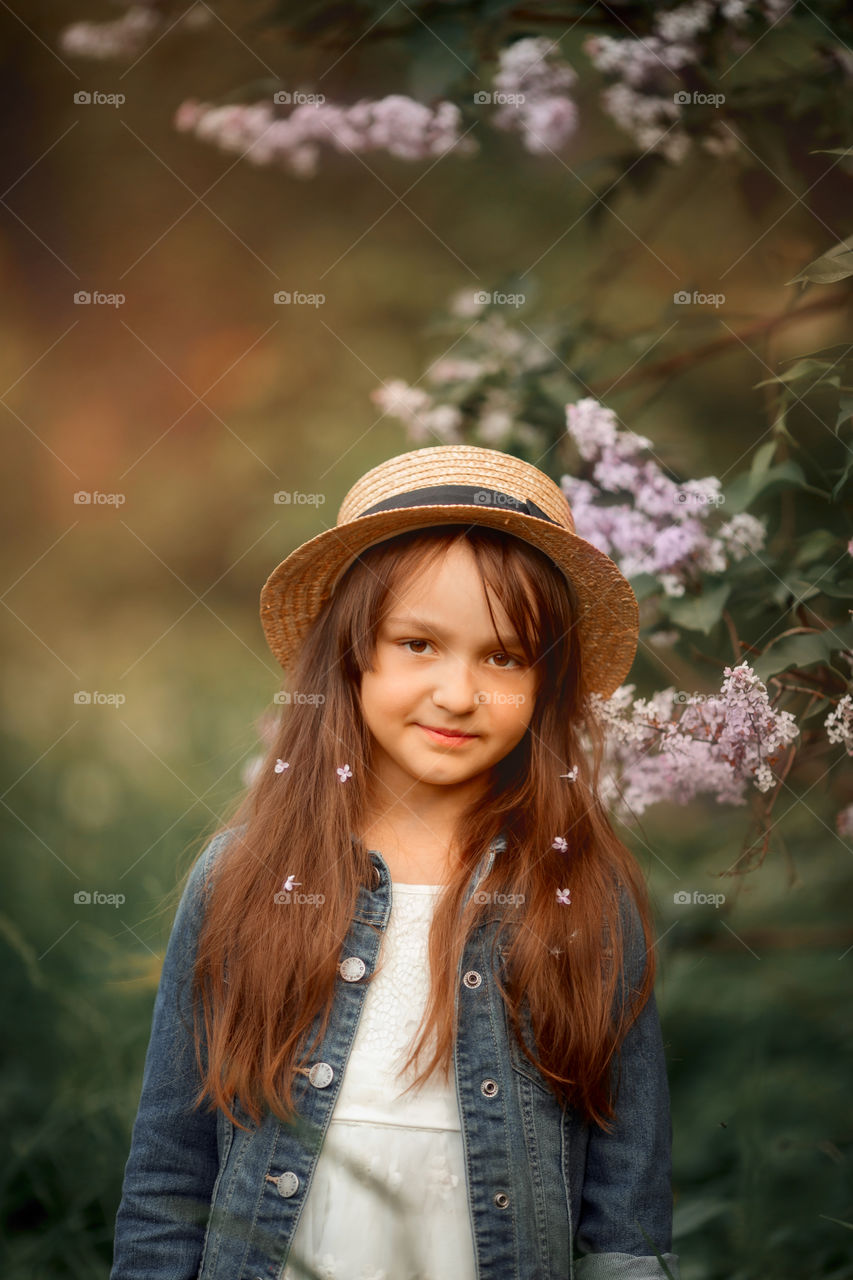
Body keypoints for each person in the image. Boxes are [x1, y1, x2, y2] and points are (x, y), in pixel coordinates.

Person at [110, 444, 680, 1280]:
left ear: (546, 683)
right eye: (418, 643)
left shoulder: (581, 895)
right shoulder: (244, 879)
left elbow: (625, 1215)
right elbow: (169, 1177)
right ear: (352, 653)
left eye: (503, 656)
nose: (457, 693)